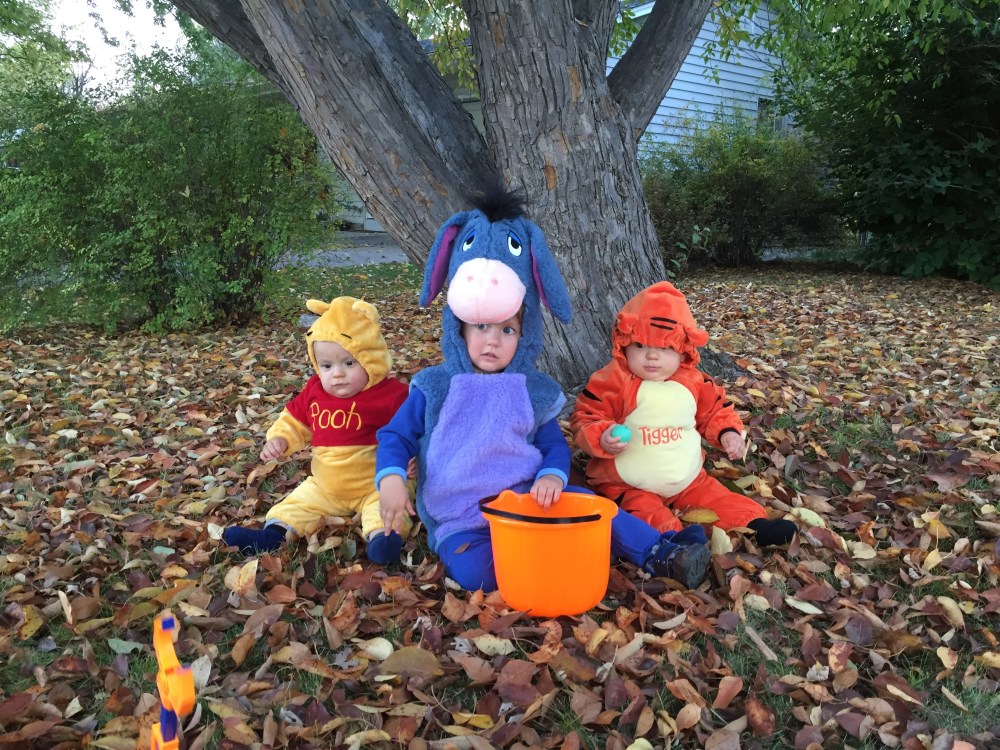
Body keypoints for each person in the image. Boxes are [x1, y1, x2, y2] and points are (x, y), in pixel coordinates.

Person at [375, 188, 713, 591]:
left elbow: (552, 444)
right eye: (481, 327)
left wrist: (552, 475)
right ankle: (551, 560)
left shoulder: (533, 389)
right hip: (462, 517)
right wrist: (391, 478)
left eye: (507, 330)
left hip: (531, 500)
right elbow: (395, 435)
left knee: (595, 508)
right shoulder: (435, 385)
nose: (492, 341)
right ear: (460, 327)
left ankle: (661, 552)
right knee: (479, 574)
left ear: (525, 334)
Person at [571, 281, 796, 547]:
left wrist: (728, 433)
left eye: (665, 348)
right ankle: (673, 545)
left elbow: (714, 410)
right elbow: (586, 415)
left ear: (682, 351)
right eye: (640, 345)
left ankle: (754, 525)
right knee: (640, 512)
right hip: (629, 484)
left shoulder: (693, 381)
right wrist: (602, 436)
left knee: (716, 498)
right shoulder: (613, 381)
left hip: (687, 479)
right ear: (624, 343)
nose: (652, 356)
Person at [223, 296, 412, 563]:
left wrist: (413, 458)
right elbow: (295, 420)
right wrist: (280, 438)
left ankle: (383, 539)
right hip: (325, 486)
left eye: (349, 363)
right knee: (297, 504)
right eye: (327, 365)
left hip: (374, 482)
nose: (337, 374)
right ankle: (273, 535)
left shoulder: (391, 395)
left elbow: (413, 430)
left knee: (388, 506)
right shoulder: (315, 391)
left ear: (371, 358)